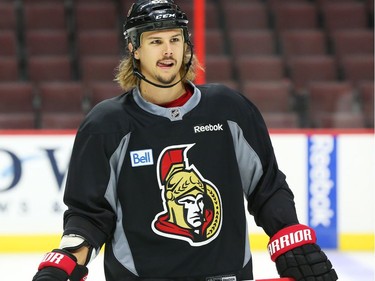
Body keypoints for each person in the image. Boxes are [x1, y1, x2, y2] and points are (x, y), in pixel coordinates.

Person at [32, 0, 338, 280]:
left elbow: (266, 187)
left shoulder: (229, 110)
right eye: (155, 42)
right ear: (134, 48)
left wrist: (290, 240)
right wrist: (68, 258)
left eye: (175, 39)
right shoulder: (106, 125)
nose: (168, 51)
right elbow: (89, 214)